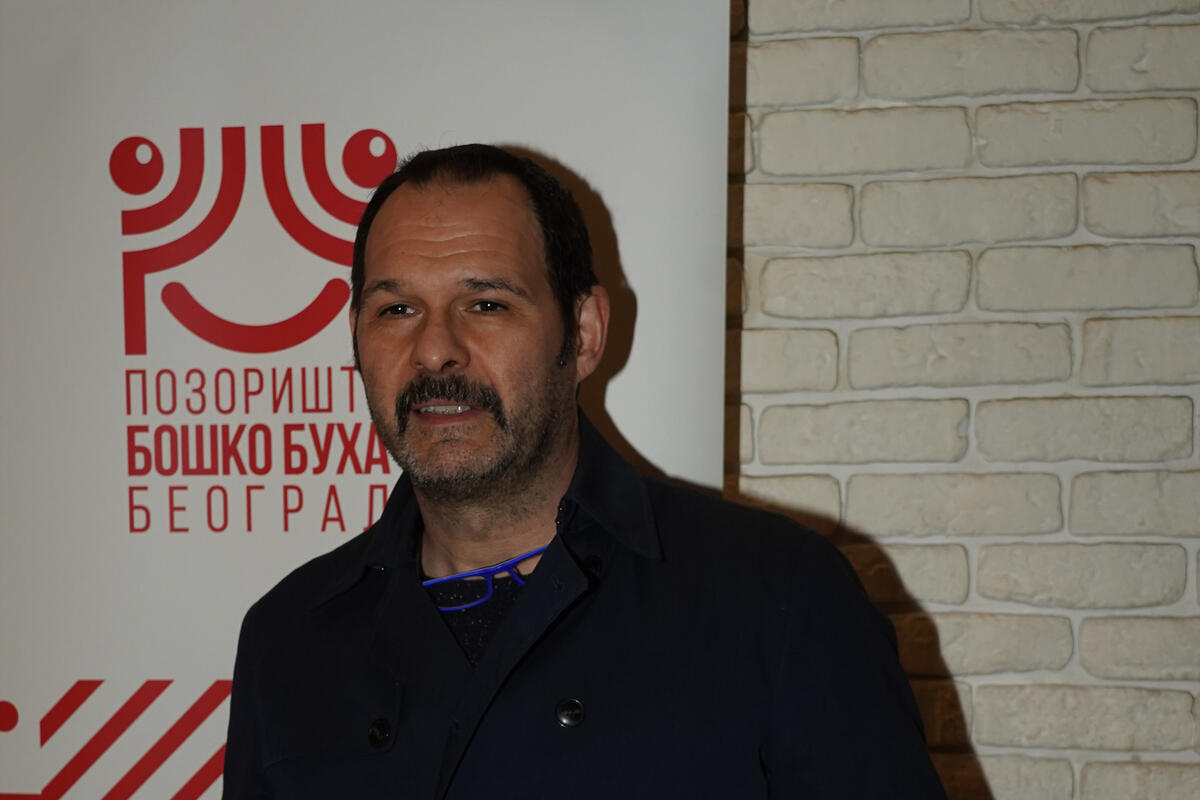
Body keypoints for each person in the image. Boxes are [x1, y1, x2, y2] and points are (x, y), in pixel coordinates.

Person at [223, 144, 948, 799]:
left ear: (585, 333)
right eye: (397, 308)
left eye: (486, 304)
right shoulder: (288, 638)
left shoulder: (780, 601)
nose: (436, 349)